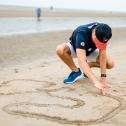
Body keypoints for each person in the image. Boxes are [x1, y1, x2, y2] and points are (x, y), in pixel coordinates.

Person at [56, 22, 114, 94]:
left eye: (101, 43)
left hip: (91, 51)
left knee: (110, 64)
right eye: (98, 42)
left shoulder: (104, 32)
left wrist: (103, 78)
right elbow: (82, 61)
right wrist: (96, 82)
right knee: (60, 49)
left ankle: (88, 66)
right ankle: (76, 72)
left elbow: (102, 56)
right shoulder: (82, 32)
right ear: (94, 32)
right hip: (76, 49)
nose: (98, 44)